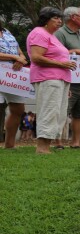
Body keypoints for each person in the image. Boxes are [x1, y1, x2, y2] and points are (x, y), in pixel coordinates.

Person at [26, 7, 76, 155]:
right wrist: (62, 64)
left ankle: (46, 146)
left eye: (60, 18)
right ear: (46, 19)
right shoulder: (39, 33)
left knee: (58, 114)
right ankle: (42, 148)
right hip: (48, 78)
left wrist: (66, 83)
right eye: (55, 18)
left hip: (60, 80)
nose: (59, 21)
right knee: (49, 111)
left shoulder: (52, 36)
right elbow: (36, 57)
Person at [54, 7, 80, 148]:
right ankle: (58, 141)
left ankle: (76, 142)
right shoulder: (60, 33)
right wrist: (75, 51)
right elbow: (56, 54)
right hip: (67, 79)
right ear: (73, 17)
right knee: (62, 110)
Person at [0, 18, 29, 149]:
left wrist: (21, 59)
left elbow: (20, 52)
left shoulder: (7, 32)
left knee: (18, 109)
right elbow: (14, 55)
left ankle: (9, 144)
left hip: (12, 75)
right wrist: (13, 57)